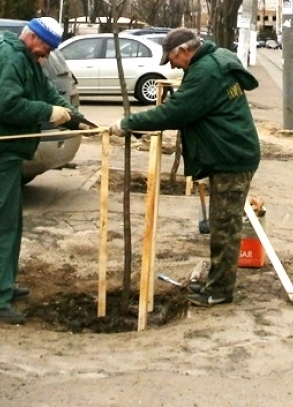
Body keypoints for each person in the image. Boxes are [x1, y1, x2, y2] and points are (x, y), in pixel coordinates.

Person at [109, 27, 260, 307]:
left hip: (232, 156)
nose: (173, 66)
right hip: (232, 151)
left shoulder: (205, 72)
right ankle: (217, 284)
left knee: (224, 227)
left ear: (182, 52)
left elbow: (174, 112)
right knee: (222, 223)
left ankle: (220, 292)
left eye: (172, 60)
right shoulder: (216, 57)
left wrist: (128, 124)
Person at [0, 16, 89, 324]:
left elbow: (45, 90)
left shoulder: (25, 57)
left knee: (10, 222)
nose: (47, 55)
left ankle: (3, 285)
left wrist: (77, 119)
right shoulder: (9, 57)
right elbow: (4, 105)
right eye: (46, 48)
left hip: (7, 153)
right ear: (32, 37)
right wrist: (48, 113)